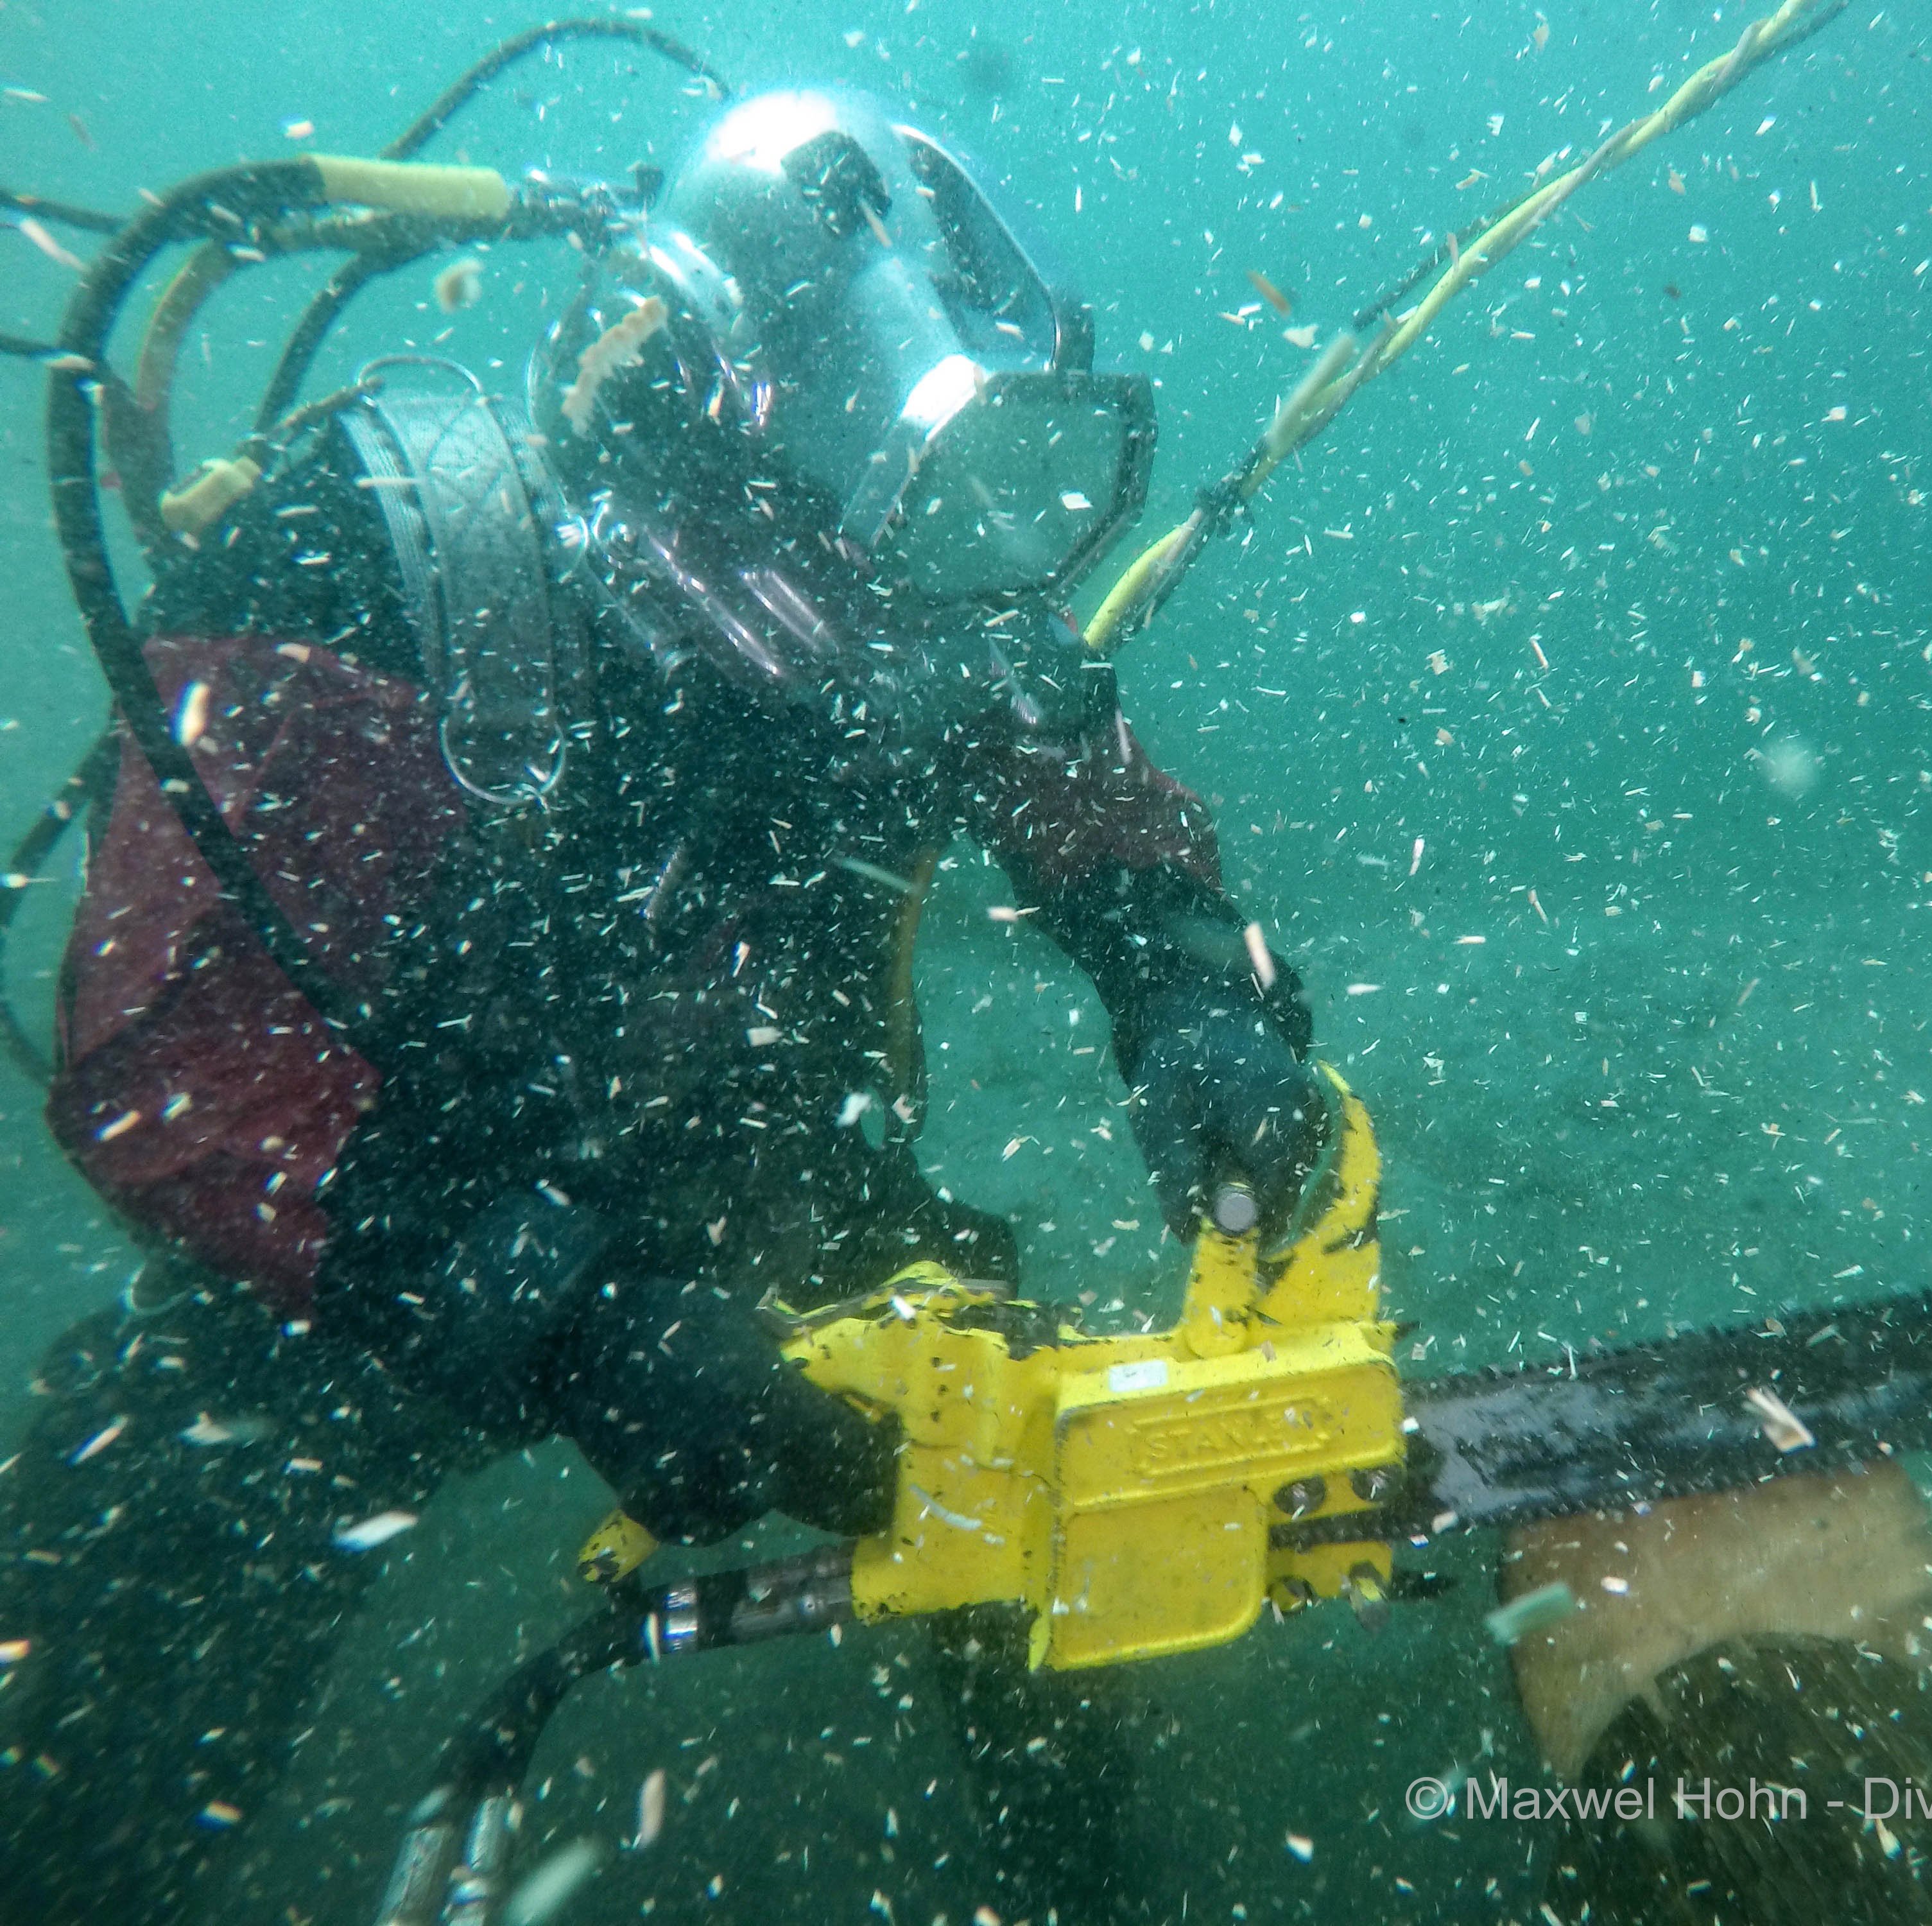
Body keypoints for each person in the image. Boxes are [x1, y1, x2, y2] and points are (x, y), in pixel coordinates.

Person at [0, 85, 1322, 1925]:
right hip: (402, 1224)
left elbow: (1073, 778)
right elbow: (180, 1068)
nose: (931, 586)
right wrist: (562, 1305)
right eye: (890, 511)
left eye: (988, 500)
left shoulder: (910, 575)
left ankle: (1066, 1862)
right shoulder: (381, 559)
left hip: (777, 1165)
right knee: (162, 1553)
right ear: (725, 421)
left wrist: (1194, 999)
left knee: (991, 1424)